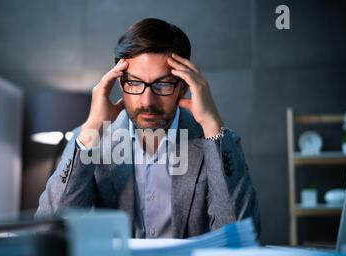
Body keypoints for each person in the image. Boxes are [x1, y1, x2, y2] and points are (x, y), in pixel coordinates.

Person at [36, 18, 260, 238]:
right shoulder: (91, 140)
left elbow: (239, 238)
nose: (147, 101)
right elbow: (49, 232)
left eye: (162, 84)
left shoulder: (214, 142)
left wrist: (211, 124)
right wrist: (92, 128)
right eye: (134, 83)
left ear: (183, 86)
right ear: (119, 83)